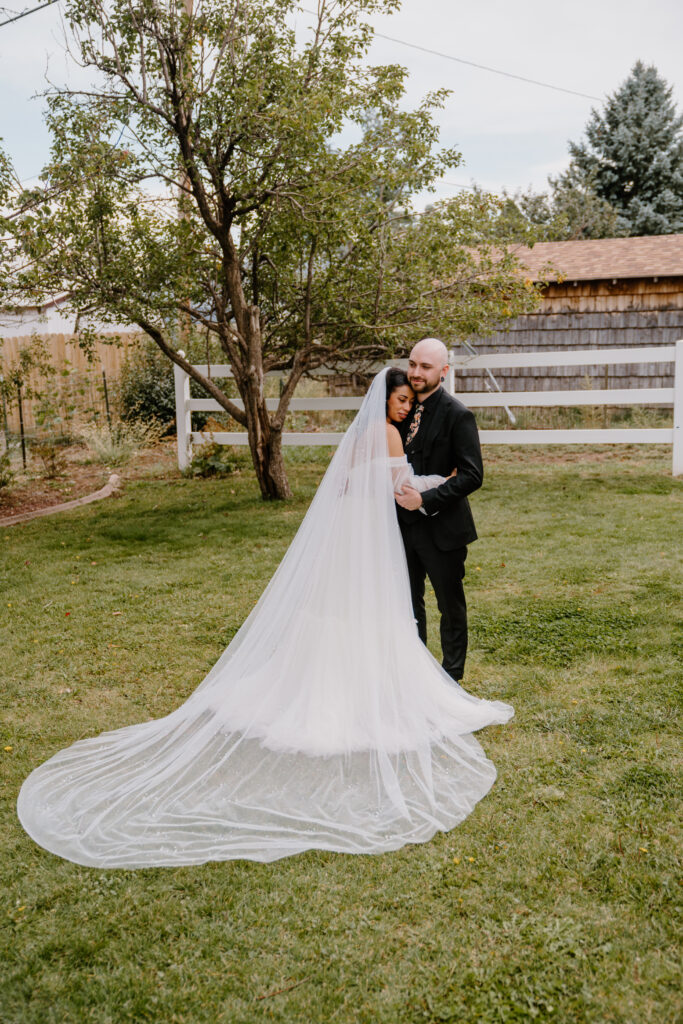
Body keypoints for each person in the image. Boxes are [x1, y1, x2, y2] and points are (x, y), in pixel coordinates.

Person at [17, 367, 512, 869]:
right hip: (369, 543)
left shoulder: (361, 433)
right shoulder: (384, 432)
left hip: (349, 540)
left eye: (410, 400)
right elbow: (398, 487)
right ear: (385, 400)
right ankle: (374, 690)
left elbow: (346, 484)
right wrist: (439, 481)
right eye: (401, 399)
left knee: (342, 618)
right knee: (373, 615)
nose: (406, 407)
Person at [394, 338, 483, 683]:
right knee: (409, 604)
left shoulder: (458, 415)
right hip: (401, 525)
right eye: (412, 364)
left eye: (425, 367)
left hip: (443, 528)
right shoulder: (399, 409)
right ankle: (415, 676)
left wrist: (426, 500)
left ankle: (451, 678)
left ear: (443, 372)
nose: (416, 373)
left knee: (450, 605)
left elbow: (473, 475)